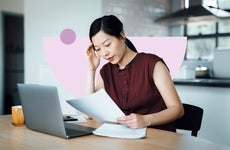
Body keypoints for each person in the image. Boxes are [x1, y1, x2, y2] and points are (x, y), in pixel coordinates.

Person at [85, 15, 184, 132]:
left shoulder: (152, 64)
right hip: (126, 140)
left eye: (107, 45)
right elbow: (88, 114)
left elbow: (177, 109)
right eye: (98, 49)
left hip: (159, 139)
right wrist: (91, 69)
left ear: (122, 36)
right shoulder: (105, 72)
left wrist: (145, 120)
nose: (104, 53)